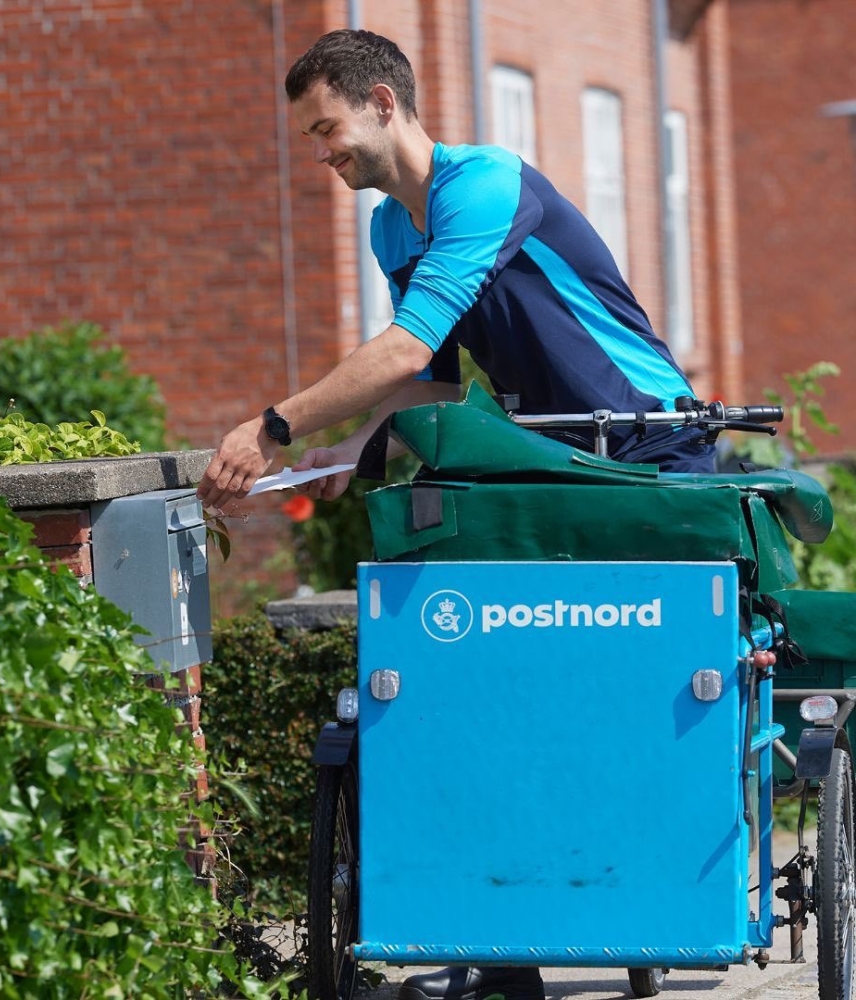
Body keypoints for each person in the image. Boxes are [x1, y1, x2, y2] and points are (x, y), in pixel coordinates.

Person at [197, 27, 712, 1000]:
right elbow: (430, 382)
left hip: (650, 446)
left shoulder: (486, 185)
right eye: (310, 137)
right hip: (548, 461)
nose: (321, 153)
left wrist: (275, 426)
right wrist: (348, 453)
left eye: (327, 129)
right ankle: (505, 944)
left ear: (384, 104)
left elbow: (401, 347)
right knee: (499, 677)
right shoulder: (392, 230)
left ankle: (645, 890)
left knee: (618, 680)